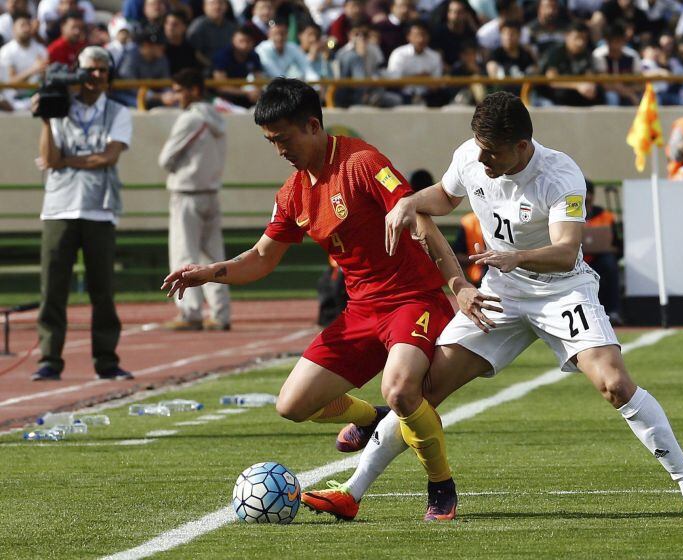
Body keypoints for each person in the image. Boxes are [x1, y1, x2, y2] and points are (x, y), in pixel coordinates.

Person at [301, 91, 683, 522]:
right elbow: (446, 197)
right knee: (420, 391)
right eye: (479, 149)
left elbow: (566, 251)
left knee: (615, 384)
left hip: (562, 289)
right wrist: (410, 203)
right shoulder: (472, 155)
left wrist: (517, 257)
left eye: (492, 153)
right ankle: (352, 491)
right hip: (502, 292)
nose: (483, 160)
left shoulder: (560, 174)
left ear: (522, 146)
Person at [162, 78, 497, 520]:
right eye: (271, 142)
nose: (280, 150)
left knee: (401, 389)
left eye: (284, 139)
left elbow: (419, 221)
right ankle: (368, 418)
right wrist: (208, 272)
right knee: (292, 405)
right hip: (360, 311)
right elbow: (262, 259)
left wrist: (457, 286)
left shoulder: (362, 162)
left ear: (313, 126)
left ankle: (441, 484)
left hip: (411, 300)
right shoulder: (293, 193)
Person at [31, 46, 133, 382]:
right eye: (89, 70)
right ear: (78, 72)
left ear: (109, 75)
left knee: (102, 289)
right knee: (53, 288)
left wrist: (65, 161)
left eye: (102, 71)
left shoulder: (118, 112)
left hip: (99, 208)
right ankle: (49, 358)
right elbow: (47, 156)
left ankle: (106, 360)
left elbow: (108, 157)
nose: (95, 77)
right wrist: (46, 118)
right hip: (59, 206)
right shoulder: (60, 108)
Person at [159, 68, 231, 331]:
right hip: (211, 193)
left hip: (187, 194)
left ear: (194, 90)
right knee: (214, 257)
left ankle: (190, 312)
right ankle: (221, 314)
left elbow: (165, 159)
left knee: (183, 254)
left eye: (179, 90)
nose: (176, 96)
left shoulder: (190, 119)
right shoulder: (217, 116)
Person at [582, 179, 622, 325]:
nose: (586, 198)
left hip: (598, 259)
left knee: (610, 263)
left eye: (589, 194)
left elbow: (617, 245)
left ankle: (614, 311)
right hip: (576, 258)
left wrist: (610, 248)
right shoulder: (569, 214)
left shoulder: (605, 216)